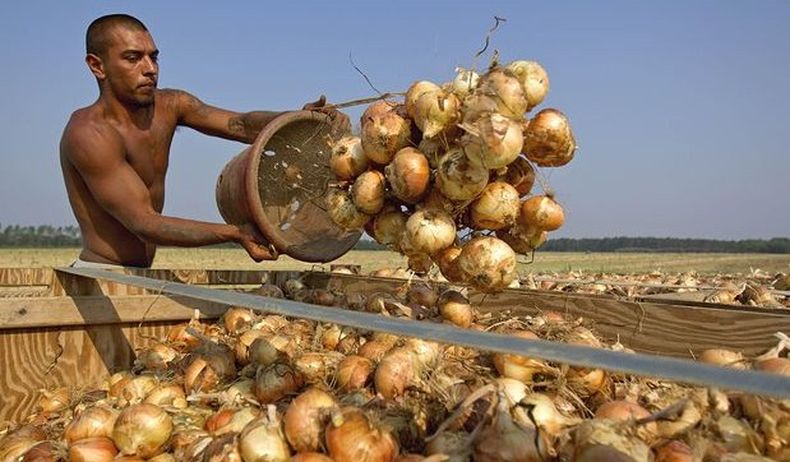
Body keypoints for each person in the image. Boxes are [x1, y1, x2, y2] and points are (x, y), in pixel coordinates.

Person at [60, 14, 339, 268]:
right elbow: (143, 222)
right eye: (133, 58)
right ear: (97, 66)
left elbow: (240, 124)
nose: (150, 69)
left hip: (143, 271)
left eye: (153, 57)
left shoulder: (170, 105)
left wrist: (297, 120)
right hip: (101, 273)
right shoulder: (88, 133)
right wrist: (235, 232)